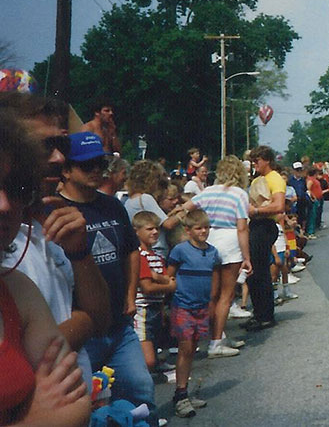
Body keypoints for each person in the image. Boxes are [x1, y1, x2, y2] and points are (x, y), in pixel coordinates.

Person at [0, 92, 110, 381]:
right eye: (43, 146)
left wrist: (80, 252)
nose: (60, 157)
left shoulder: (52, 223)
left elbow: (101, 318)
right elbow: (17, 354)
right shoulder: (6, 234)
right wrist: (82, 320)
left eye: (61, 143)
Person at [0, 109, 91, 427]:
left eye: (14, 187)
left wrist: (80, 252)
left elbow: (72, 403)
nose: (4, 204)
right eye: (44, 145)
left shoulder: (17, 287)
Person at [59, 132, 155, 416]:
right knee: (89, 405)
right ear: (66, 169)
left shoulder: (112, 204)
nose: (97, 171)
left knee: (140, 387)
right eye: (87, 165)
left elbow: (131, 250)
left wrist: (130, 296)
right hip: (83, 329)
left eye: (100, 163)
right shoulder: (57, 210)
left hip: (119, 324)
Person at [188, 155, 253, 355]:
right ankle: (216, 343)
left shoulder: (208, 191)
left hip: (209, 239)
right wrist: (247, 257)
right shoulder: (239, 194)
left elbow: (187, 207)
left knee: (212, 295)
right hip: (230, 241)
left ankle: (217, 335)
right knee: (226, 295)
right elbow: (242, 228)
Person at [165, 209, 220, 417]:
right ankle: (180, 395)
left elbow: (214, 280)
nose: (204, 231)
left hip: (202, 307)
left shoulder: (213, 252)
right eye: (199, 228)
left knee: (193, 349)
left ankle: (184, 391)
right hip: (183, 305)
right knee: (185, 348)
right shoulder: (180, 251)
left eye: (206, 227)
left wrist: (211, 303)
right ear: (188, 231)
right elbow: (169, 277)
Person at [243, 146, 285, 332]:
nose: (255, 164)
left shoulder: (274, 178)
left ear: (267, 160)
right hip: (256, 224)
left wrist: (257, 211)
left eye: (257, 160)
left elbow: (279, 205)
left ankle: (265, 315)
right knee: (253, 272)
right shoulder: (258, 180)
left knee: (260, 271)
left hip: (265, 225)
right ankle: (259, 312)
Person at [131, 210, 175, 374]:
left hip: (156, 307)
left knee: (154, 343)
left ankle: (154, 369)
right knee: (147, 357)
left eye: (156, 228)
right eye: (149, 229)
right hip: (143, 309)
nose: (155, 232)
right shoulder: (140, 255)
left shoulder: (156, 256)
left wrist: (161, 279)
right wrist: (168, 286)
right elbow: (147, 287)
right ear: (137, 231)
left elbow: (165, 277)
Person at [123, 160, 179, 258]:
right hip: (155, 251)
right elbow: (168, 224)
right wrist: (183, 212)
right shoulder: (145, 199)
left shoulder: (129, 201)